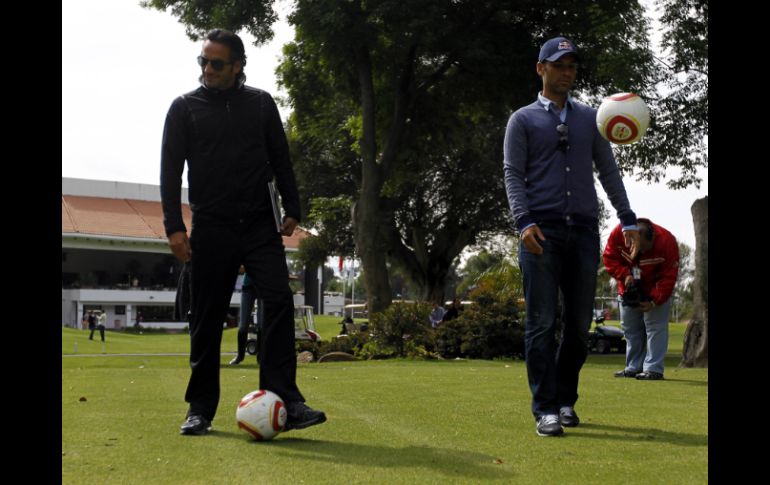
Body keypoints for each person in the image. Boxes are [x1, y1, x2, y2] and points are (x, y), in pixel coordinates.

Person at [160, 28, 326, 436]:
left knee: (278, 301)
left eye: (217, 63)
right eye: (203, 61)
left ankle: (286, 399)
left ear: (237, 66)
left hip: (258, 224)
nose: (208, 69)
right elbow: (169, 171)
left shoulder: (261, 104)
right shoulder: (184, 108)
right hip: (212, 226)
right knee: (207, 317)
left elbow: (280, 158)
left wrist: (293, 206)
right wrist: (174, 227)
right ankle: (200, 408)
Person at [503, 36, 641, 437]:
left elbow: (608, 172)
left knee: (580, 328)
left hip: (582, 231)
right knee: (542, 324)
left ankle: (565, 400)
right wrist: (523, 221)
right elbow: (513, 174)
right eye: (560, 65)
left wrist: (627, 218)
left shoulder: (591, 119)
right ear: (540, 68)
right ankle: (545, 408)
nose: (567, 72)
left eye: (572, 66)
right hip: (539, 232)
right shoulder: (522, 120)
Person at [603, 218, 679, 380]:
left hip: (656, 288)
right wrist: (625, 276)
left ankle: (653, 369)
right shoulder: (618, 234)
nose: (642, 251)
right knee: (630, 329)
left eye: (646, 247)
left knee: (656, 328)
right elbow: (609, 259)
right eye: (640, 247)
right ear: (631, 238)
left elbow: (669, 276)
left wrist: (654, 300)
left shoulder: (667, 241)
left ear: (652, 239)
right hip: (628, 288)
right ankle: (633, 367)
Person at [230, 271, 262, 365]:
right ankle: (240, 356)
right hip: (247, 286)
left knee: (262, 324)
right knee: (243, 325)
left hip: (262, 285)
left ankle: (261, 357)